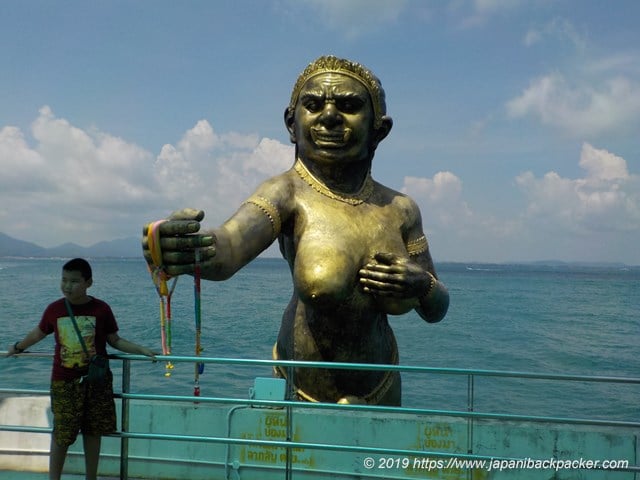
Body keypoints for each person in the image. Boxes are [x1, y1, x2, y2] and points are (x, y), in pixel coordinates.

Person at [142, 55, 449, 406]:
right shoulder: (286, 193)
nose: (329, 117)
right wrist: (178, 245)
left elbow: (435, 308)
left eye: (349, 105)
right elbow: (229, 248)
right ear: (292, 123)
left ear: (380, 128)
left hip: (382, 385)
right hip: (301, 389)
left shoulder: (401, 209)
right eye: (313, 105)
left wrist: (421, 285)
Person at [6, 258, 156, 480]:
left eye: (74, 281)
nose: (67, 286)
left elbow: (114, 340)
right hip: (64, 382)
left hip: (96, 381)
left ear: (89, 282)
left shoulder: (101, 309)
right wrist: (18, 346)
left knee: (93, 432)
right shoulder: (54, 309)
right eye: (64, 280)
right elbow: (38, 333)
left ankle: (91, 477)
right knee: (61, 434)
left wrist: (141, 349)